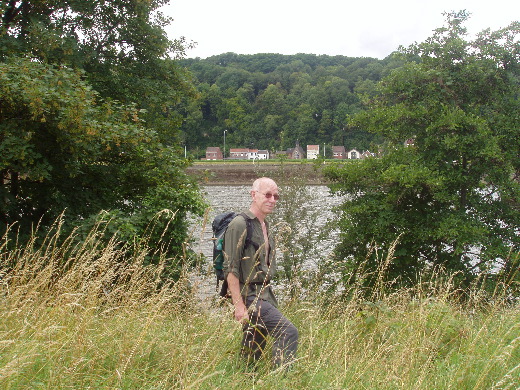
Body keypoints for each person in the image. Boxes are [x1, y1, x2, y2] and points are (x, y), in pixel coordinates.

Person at [223, 177, 298, 368]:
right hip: (250, 297)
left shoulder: (265, 226)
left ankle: (245, 380)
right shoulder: (239, 224)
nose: (272, 200)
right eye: (267, 195)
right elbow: (231, 270)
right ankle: (281, 380)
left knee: (252, 352)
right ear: (253, 195)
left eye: (276, 196)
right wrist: (239, 306)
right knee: (288, 331)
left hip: (265, 295)